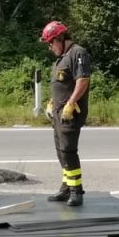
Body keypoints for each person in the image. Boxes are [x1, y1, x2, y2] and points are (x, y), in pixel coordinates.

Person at [40, 20, 91, 207]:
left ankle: (76, 190)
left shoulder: (78, 53)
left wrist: (70, 103)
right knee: (60, 151)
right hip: (58, 113)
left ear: (60, 38)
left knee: (68, 151)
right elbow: (62, 85)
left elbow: (82, 80)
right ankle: (66, 187)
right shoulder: (62, 58)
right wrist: (52, 102)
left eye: (50, 43)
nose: (50, 47)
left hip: (70, 113)